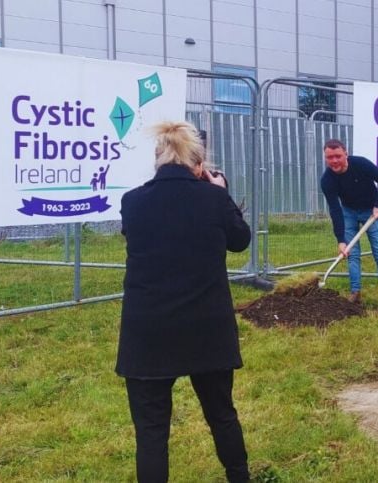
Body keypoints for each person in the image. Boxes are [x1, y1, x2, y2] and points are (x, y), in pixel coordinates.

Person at [116, 121, 251, 482]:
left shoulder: (132, 202)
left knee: (151, 432)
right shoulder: (214, 197)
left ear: (157, 159)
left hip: (148, 329)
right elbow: (240, 241)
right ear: (199, 164)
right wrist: (220, 192)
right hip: (206, 326)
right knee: (222, 414)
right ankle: (239, 477)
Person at [320, 139, 378, 307]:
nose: (334, 161)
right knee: (352, 254)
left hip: (370, 211)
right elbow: (335, 210)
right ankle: (355, 293)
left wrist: (377, 205)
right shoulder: (327, 180)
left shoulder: (360, 164)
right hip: (348, 212)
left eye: (338, 156)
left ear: (346, 154)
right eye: (329, 157)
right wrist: (341, 240)